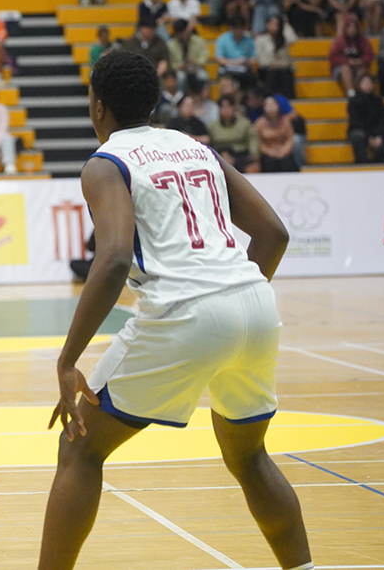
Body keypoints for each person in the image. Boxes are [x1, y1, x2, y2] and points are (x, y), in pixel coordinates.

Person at [36, 50, 312, 570]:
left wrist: (67, 359)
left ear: (97, 106)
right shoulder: (195, 147)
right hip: (254, 303)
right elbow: (274, 233)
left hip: (184, 312)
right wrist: (232, 304)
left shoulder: (105, 163)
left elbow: (113, 258)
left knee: (80, 450)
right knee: (250, 456)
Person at [348, 74, 384, 163]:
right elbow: (355, 121)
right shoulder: (353, 101)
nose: (368, 85)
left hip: (377, 131)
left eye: (369, 83)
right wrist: (369, 137)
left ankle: (378, 160)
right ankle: (362, 162)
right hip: (361, 130)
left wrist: (379, 135)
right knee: (357, 136)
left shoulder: (378, 101)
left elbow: (383, 120)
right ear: (359, 85)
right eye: (365, 83)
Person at [208, 94, 259, 172]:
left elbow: (252, 139)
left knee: (253, 167)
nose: (225, 110)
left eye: (228, 106)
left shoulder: (245, 124)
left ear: (234, 108)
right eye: (222, 107)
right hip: (219, 157)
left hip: (240, 156)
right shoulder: (212, 126)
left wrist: (254, 154)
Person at [329, 14, 375, 98]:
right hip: (341, 68)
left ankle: (361, 92)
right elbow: (334, 57)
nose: (352, 30)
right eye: (349, 27)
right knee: (345, 68)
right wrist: (348, 61)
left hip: (359, 65)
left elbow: (369, 55)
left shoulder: (363, 41)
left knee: (362, 68)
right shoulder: (339, 41)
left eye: (354, 27)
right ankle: (351, 93)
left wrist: (360, 61)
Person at [255, 14, 297, 99]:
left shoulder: (284, 38)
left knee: (286, 74)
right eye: (273, 23)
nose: (275, 26)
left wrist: (284, 25)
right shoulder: (260, 39)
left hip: (283, 68)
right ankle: (269, 99)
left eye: (277, 24)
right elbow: (261, 60)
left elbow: (293, 39)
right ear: (267, 24)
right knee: (272, 74)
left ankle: (289, 100)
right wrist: (273, 64)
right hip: (268, 69)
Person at [254, 95, 300, 172]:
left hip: (284, 151)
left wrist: (284, 151)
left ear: (278, 106)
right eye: (268, 105)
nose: (271, 108)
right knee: (268, 162)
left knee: (288, 161)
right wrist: (269, 151)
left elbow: (290, 139)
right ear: (264, 108)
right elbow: (258, 142)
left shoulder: (285, 121)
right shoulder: (260, 123)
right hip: (267, 152)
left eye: (273, 105)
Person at [167, 18, 210, 92]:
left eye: (183, 32)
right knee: (180, 77)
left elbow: (205, 58)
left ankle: (202, 97)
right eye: (179, 33)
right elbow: (169, 63)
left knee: (203, 75)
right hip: (179, 70)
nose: (181, 35)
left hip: (195, 68)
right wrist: (178, 66)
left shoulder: (198, 41)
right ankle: (180, 97)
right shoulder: (171, 44)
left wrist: (195, 62)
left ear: (187, 29)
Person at [215, 16, 257, 88]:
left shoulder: (249, 41)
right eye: (236, 28)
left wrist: (247, 62)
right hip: (227, 70)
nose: (238, 30)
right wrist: (233, 62)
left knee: (252, 79)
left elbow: (254, 58)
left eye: (241, 28)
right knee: (225, 80)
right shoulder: (222, 39)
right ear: (231, 28)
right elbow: (220, 59)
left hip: (244, 70)